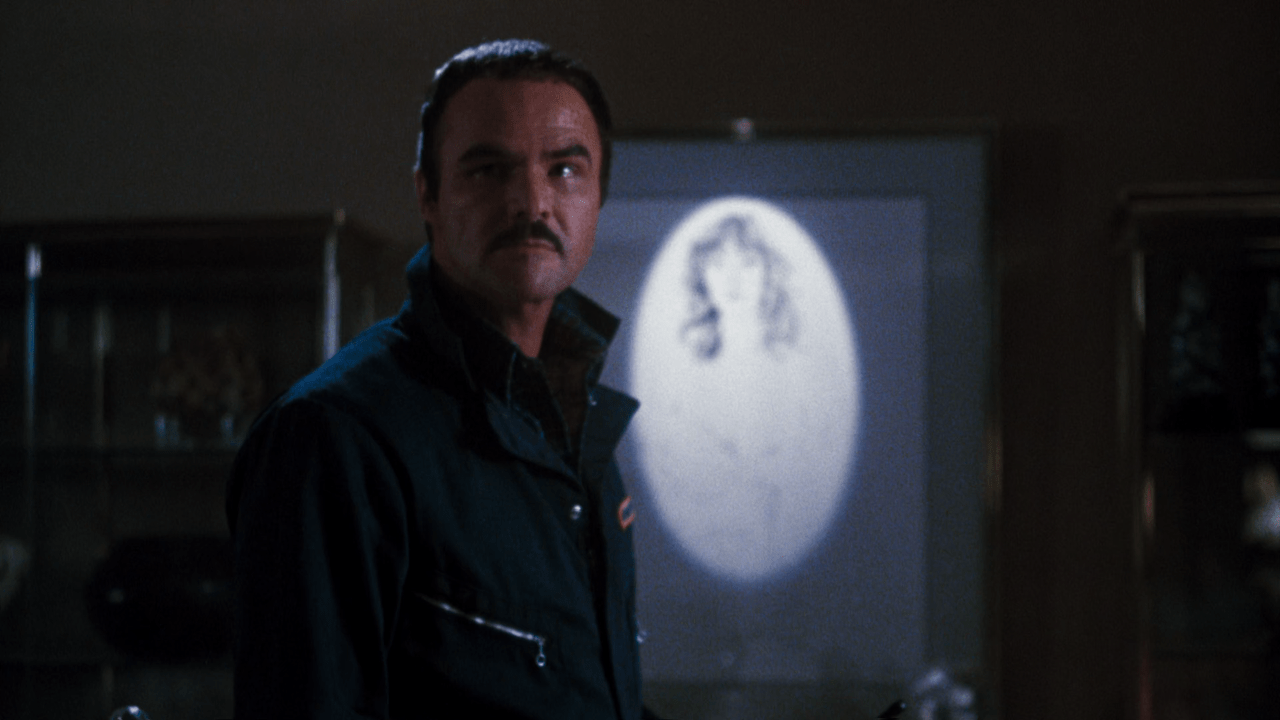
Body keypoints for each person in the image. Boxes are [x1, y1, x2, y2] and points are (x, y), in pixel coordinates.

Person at [226, 39, 655, 720]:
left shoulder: (579, 427)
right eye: (488, 170)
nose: (532, 202)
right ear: (427, 194)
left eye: (565, 169)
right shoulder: (336, 437)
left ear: (598, 195)